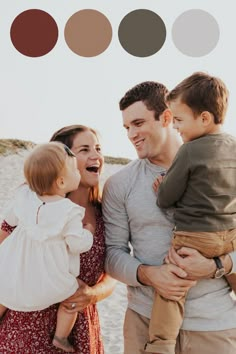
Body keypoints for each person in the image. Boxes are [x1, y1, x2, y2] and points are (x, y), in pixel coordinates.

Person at [102, 81, 236, 354]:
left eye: (138, 123)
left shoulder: (226, 167)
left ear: (166, 117)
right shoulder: (119, 184)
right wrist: (150, 275)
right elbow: (112, 255)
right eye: (127, 127)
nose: (131, 134)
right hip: (145, 324)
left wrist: (217, 266)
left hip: (215, 326)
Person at [0, 124, 116, 354]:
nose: (96, 156)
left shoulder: (105, 213)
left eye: (98, 148)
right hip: (25, 328)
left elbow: (113, 275)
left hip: (79, 328)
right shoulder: (33, 205)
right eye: (84, 150)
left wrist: (92, 295)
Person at [145, 72, 236, 353]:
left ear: (205, 118)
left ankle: (160, 344)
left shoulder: (189, 150)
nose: (176, 128)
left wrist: (161, 189)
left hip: (195, 236)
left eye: (180, 120)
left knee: (173, 289)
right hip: (229, 235)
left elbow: (167, 199)